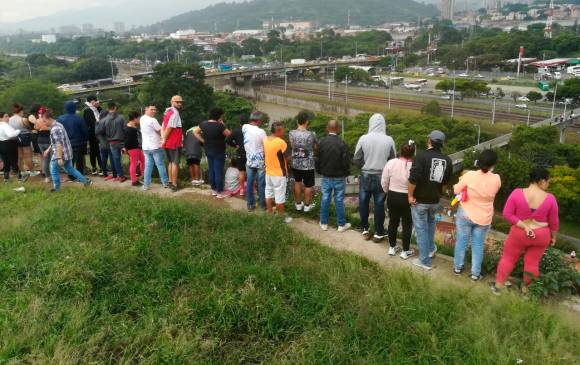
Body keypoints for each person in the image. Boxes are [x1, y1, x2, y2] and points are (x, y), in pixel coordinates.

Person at [490, 168, 559, 295]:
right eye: (548, 181)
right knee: (532, 263)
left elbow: (507, 214)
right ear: (541, 181)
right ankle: (526, 291)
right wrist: (553, 237)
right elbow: (554, 222)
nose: (548, 184)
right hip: (541, 235)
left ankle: (498, 286)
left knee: (508, 258)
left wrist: (523, 225)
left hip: (519, 233)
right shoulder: (550, 198)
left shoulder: (517, 193)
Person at [408, 130, 453, 271]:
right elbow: (445, 183)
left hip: (420, 201)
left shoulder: (421, 157)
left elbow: (413, 179)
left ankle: (425, 261)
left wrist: (410, 196)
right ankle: (431, 249)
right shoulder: (448, 160)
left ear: (429, 140)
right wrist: (439, 192)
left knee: (421, 230)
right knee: (431, 225)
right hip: (435, 201)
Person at [453, 150, 501, 280]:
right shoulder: (497, 179)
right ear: (493, 164)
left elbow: (456, 190)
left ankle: (458, 267)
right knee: (478, 245)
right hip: (484, 217)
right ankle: (475, 274)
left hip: (465, 214)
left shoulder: (470, 175)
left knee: (461, 242)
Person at [353, 113, 397, 242]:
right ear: (383, 124)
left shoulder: (363, 138)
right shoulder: (389, 140)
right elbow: (393, 160)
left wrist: (365, 166)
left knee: (363, 202)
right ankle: (379, 232)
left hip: (365, 174)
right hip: (381, 176)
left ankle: (365, 228)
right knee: (379, 204)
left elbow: (356, 159)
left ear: (370, 123)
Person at [381, 141, 416, 259]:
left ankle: (392, 247)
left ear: (400, 151)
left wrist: (387, 191)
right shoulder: (415, 165)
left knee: (393, 222)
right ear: (413, 153)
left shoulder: (391, 163)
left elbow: (384, 181)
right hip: (407, 197)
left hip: (392, 195)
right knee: (407, 224)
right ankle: (405, 251)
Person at [42, 109, 91, 192]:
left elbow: (59, 144)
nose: (44, 123)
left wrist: (59, 158)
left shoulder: (55, 129)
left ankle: (57, 189)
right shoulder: (58, 124)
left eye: (44, 121)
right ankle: (86, 181)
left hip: (61, 153)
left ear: (49, 118)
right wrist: (48, 149)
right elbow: (56, 141)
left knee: (53, 170)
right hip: (67, 152)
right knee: (69, 169)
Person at [316, 120, 351, 232]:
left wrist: (320, 171)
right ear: (338, 129)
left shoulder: (322, 142)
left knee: (325, 198)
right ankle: (341, 225)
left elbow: (318, 159)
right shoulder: (342, 143)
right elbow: (346, 161)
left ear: (327, 128)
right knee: (339, 200)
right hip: (339, 176)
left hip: (326, 175)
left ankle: (323, 222)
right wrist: (346, 173)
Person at [194, 108, 231, 198]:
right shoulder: (220, 126)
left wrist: (203, 141)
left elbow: (195, 132)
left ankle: (213, 190)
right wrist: (222, 123)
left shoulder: (203, 124)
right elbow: (229, 135)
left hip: (208, 150)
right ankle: (219, 192)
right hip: (219, 151)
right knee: (218, 171)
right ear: (219, 116)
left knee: (212, 170)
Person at [263, 121, 292, 223]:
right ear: (279, 131)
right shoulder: (281, 142)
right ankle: (281, 218)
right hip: (279, 174)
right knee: (279, 196)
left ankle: (269, 212)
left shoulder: (265, 139)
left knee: (269, 193)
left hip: (268, 172)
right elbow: (288, 157)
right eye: (283, 129)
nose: (284, 131)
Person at [289, 110, 317, 212]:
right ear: (307, 122)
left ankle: (298, 204)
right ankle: (307, 206)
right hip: (308, 164)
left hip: (295, 162)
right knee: (308, 185)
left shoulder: (291, 133)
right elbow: (315, 147)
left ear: (297, 121)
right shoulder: (312, 134)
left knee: (297, 182)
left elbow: (292, 146)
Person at [140, 105, 169, 191]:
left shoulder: (142, 118)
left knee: (148, 166)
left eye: (155, 110)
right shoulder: (153, 120)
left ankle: (146, 185)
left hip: (146, 147)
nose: (154, 111)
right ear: (146, 109)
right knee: (160, 164)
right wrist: (164, 139)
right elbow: (160, 131)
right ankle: (165, 183)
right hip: (155, 146)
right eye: (151, 109)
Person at [243, 111, 267, 211]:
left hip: (249, 160)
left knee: (249, 182)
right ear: (258, 120)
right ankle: (262, 205)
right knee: (261, 184)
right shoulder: (261, 132)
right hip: (260, 161)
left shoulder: (244, 127)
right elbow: (266, 146)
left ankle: (250, 205)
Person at [57, 101, 88, 178]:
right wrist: (84, 141)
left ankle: (70, 175)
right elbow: (85, 132)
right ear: (75, 108)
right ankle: (80, 175)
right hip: (78, 143)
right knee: (79, 161)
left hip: (65, 143)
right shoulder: (79, 119)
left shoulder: (60, 119)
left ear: (65, 109)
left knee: (69, 160)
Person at [97, 102, 126, 182]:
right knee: (131, 158)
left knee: (115, 159)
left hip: (112, 142)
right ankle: (135, 174)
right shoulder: (121, 118)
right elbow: (125, 129)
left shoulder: (104, 120)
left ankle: (120, 176)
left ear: (108, 109)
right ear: (115, 107)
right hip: (122, 141)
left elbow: (99, 131)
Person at [162, 95, 184, 191]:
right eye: (177, 102)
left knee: (170, 162)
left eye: (181, 102)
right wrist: (164, 139)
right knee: (175, 163)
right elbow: (170, 127)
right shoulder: (175, 112)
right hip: (174, 141)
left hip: (168, 141)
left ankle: (171, 181)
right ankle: (174, 184)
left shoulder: (167, 112)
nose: (179, 103)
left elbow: (163, 126)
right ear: (172, 101)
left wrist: (163, 139)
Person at [9, 103, 35, 175]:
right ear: (20, 111)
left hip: (15, 137)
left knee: (19, 156)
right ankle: (32, 172)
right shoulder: (23, 119)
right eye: (22, 112)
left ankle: (22, 171)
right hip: (25, 136)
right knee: (28, 155)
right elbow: (29, 128)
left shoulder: (9, 119)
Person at [226, 114, 249, 195]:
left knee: (241, 172)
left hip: (240, 153)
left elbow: (228, 140)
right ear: (248, 122)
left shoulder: (236, 130)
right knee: (251, 172)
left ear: (240, 122)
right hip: (250, 154)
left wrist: (235, 145)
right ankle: (252, 189)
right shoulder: (251, 130)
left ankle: (242, 190)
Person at [83, 95, 103, 175]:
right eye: (94, 101)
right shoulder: (87, 110)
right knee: (93, 151)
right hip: (92, 134)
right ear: (90, 101)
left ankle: (102, 167)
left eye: (96, 100)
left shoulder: (98, 109)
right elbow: (90, 123)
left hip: (100, 133)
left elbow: (103, 116)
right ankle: (94, 168)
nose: (95, 102)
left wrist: (98, 107)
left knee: (99, 151)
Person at [31, 106, 52, 183]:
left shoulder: (38, 121)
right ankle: (53, 175)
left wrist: (41, 128)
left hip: (40, 141)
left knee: (45, 159)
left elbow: (36, 128)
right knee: (52, 159)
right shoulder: (48, 120)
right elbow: (51, 128)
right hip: (49, 141)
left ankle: (47, 177)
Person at [0, 111, 22, 182]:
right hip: (9, 144)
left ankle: (6, 179)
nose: (8, 118)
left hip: (2, 144)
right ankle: (20, 178)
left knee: (6, 162)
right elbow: (11, 135)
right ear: (1, 118)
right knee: (14, 161)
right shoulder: (5, 125)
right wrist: (18, 131)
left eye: (8, 116)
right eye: (5, 116)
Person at [125, 111, 145, 187]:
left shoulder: (134, 127)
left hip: (138, 148)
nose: (139, 119)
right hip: (133, 149)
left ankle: (144, 176)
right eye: (138, 118)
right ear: (134, 118)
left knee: (143, 161)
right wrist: (126, 149)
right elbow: (127, 141)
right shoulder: (129, 129)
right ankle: (134, 181)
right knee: (134, 164)